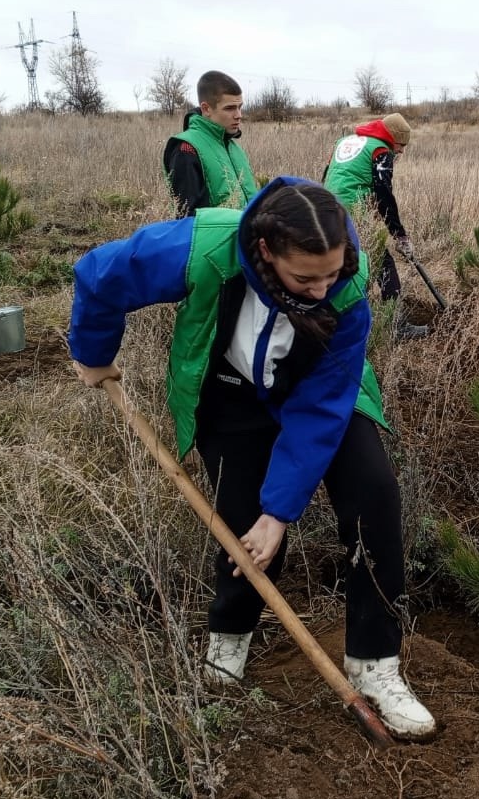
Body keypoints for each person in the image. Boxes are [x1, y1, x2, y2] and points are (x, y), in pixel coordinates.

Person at [68, 177, 435, 741]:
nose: (321, 290)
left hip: (324, 389)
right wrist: (93, 354)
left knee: (374, 495)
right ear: (266, 251)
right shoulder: (205, 245)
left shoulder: (349, 285)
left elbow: (319, 408)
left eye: (331, 274)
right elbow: (101, 274)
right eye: (305, 278)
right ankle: (231, 634)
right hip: (231, 389)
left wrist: (282, 511)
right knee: (240, 514)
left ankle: (375, 664)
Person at [322, 113, 427, 339]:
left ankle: (337, 321)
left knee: (342, 266)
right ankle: (396, 327)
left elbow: (326, 176)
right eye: (401, 145)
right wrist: (400, 235)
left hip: (326, 209)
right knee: (383, 264)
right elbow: (384, 194)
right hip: (353, 212)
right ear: (393, 139)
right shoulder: (381, 150)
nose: (401, 152)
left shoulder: (344, 141)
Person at [162, 70, 257, 217]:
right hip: (217, 240)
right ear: (206, 109)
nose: (238, 115)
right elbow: (188, 219)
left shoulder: (233, 147)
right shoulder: (186, 148)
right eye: (230, 108)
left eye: (240, 107)